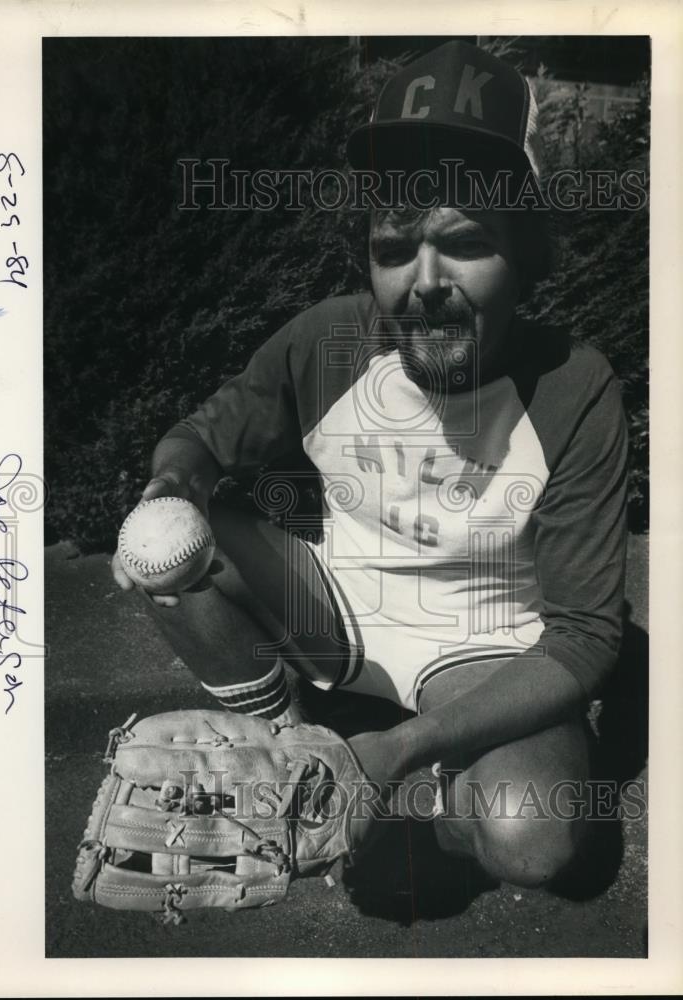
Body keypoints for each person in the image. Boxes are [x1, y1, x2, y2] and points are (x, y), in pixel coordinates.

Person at [112, 40, 628, 888]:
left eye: (463, 244)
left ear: (527, 254)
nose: (424, 281)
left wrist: (400, 751)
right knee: (161, 546)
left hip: (486, 647)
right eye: (395, 250)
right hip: (337, 608)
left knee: (534, 841)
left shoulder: (576, 384)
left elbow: (582, 641)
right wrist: (174, 484)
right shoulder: (328, 337)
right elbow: (198, 441)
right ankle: (291, 749)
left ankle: (401, 773)